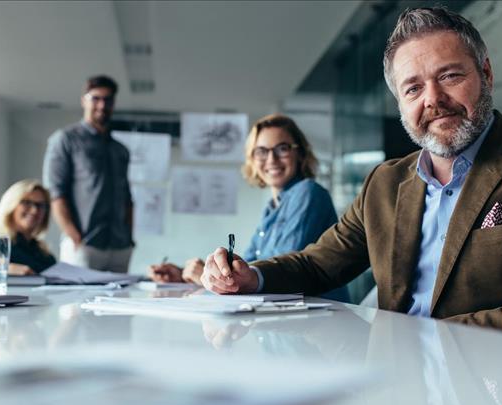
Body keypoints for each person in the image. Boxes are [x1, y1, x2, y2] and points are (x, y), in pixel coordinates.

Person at [200, 7, 502, 339]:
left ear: (486, 74)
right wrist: (252, 276)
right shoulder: (384, 183)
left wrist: (412, 340)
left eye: (450, 76)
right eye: (413, 88)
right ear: (400, 103)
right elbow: (317, 264)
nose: (432, 99)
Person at [149, 114, 351, 302]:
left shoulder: (307, 192)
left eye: (282, 148)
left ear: (299, 153)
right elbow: (249, 267)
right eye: (261, 151)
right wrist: (194, 274)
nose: (271, 159)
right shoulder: (272, 207)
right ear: (252, 159)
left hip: (321, 322)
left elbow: (282, 269)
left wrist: (212, 274)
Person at [43, 75, 134, 273]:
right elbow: (56, 193)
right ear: (84, 100)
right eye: (96, 98)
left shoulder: (121, 150)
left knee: (120, 303)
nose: (102, 105)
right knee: (76, 304)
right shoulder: (65, 140)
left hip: (120, 246)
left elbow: (127, 197)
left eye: (108, 99)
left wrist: (129, 238)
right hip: (84, 245)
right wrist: (74, 236)